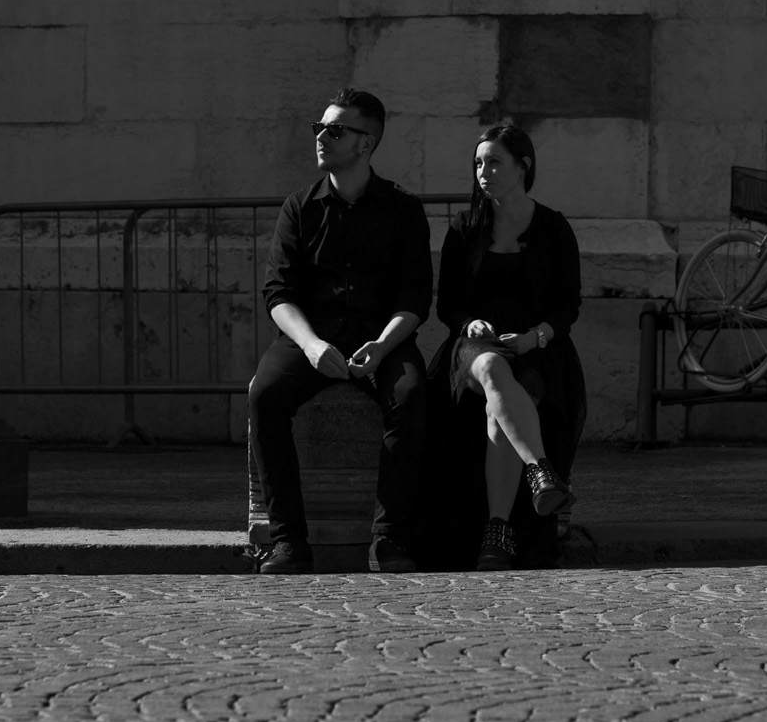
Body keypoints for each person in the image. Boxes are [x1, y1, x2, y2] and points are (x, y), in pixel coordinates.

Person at [250, 88, 432, 575]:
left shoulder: (403, 210)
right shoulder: (300, 207)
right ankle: (289, 541)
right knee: (264, 395)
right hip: (312, 336)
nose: (321, 138)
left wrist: (382, 345)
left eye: (335, 130)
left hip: (382, 335)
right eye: (320, 128)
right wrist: (310, 346)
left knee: (412, 395)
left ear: (366, 143)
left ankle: (390, 539)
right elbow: (277, 292)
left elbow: (416, 296)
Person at [427, 124, 586, 571]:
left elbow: (568, 305)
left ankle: (496, 535)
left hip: (537, 346)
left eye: (494, 161)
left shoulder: (553, 227)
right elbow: (449, 304)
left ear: (523, 166)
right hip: (475, 347)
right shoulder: (464, 227)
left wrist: (537, 335)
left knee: (501, 412)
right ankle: (540, 470)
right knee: (493, 368)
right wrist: (468, 322)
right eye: (478, 163)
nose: (484, 171)